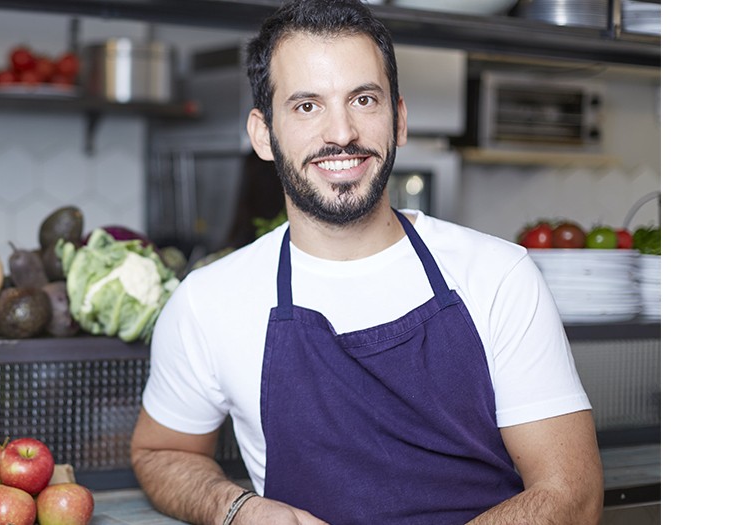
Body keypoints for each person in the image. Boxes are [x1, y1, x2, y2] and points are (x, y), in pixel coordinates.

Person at [129, 0, 604, 523]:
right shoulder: (209, 300)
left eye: (363, 99)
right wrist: (237, 508)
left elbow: (572, 494)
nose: (341, 133)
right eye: (307, 106)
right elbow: (161, 452)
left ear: (397, 119)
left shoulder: (499, 276)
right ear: (264, 134)